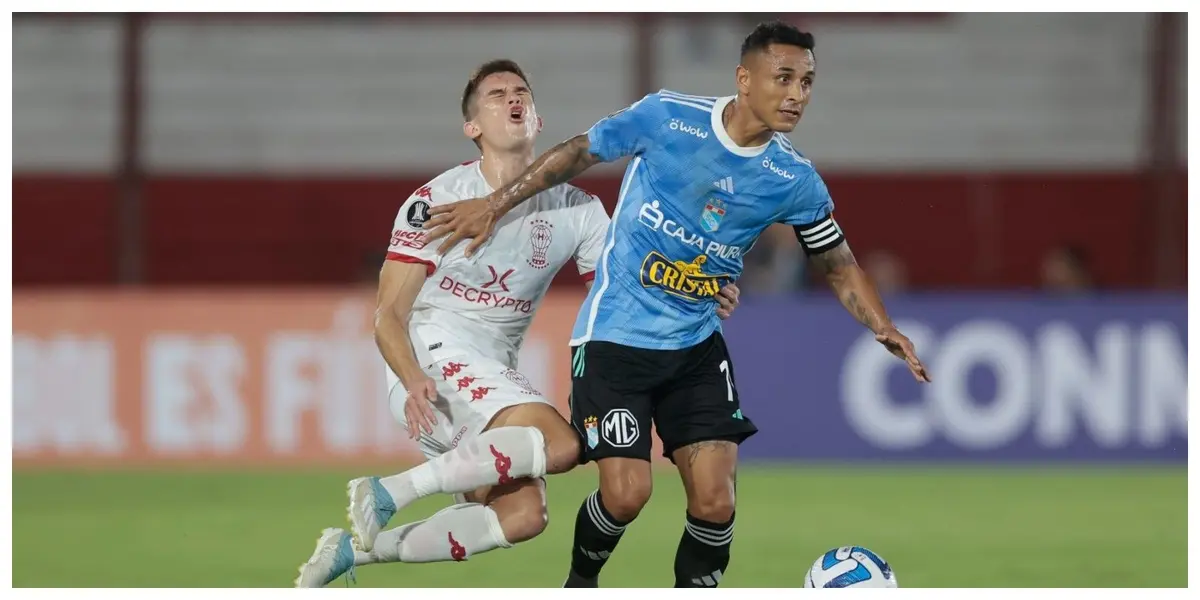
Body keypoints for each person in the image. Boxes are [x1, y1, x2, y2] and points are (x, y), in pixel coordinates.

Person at [420, 22, 932, 588]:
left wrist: (882, 326)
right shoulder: (669, 117)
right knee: (626, 494)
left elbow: (837, 264)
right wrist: (495, 203)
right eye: (783, 78)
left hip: (694, 347)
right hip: (615, 341)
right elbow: (578, 152)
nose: (796, 95)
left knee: (715, 501)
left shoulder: (793, 178)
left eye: (807, 82)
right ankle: (579, 584)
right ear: (744, 78)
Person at [293, 59, 741, 588]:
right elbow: (388, 313)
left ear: (538, 119)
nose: (514, 99)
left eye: (522, 92)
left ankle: (352, 553)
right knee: (564, 443)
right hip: (435, 354)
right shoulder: (436, 200)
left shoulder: (576, 208)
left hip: (492, 370)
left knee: (524, 517)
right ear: (473, 127)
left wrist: (699, 286)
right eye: (497, 94)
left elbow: (632, 282)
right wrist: (412, 376)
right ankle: (390, 490)